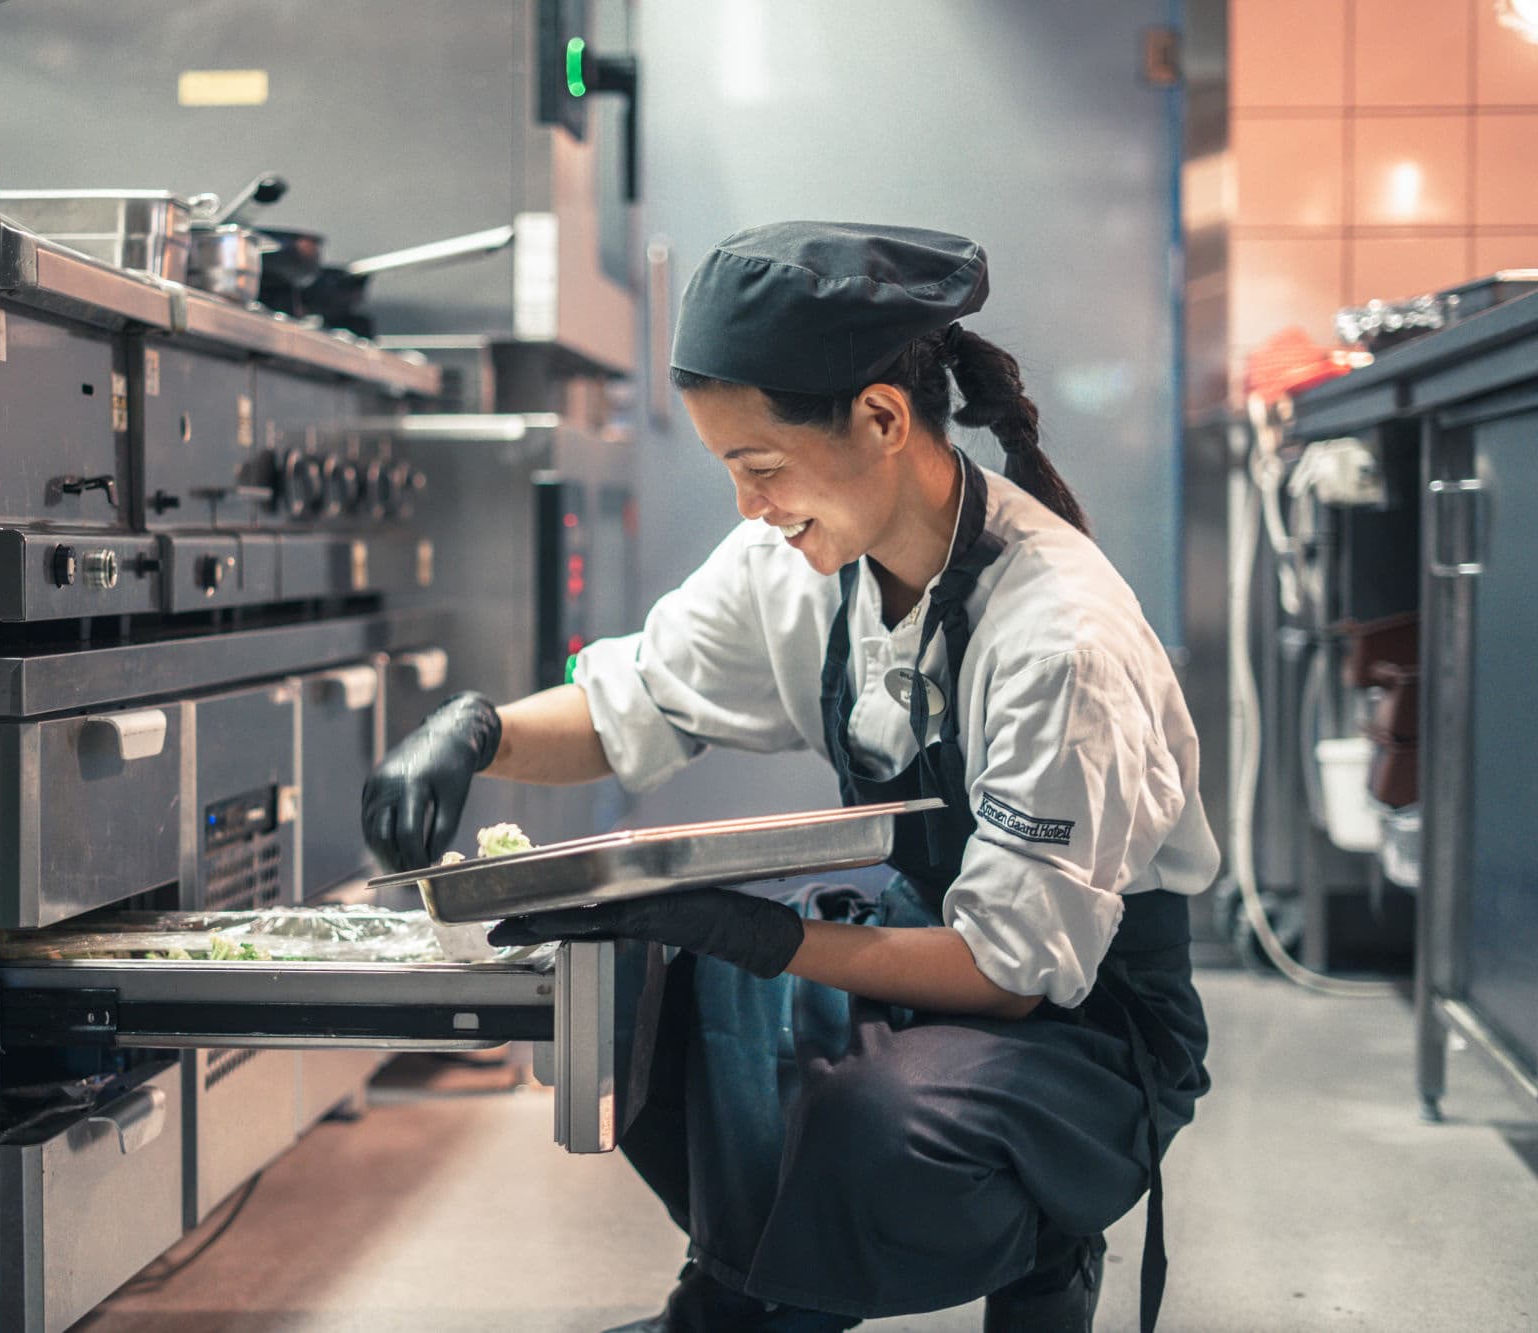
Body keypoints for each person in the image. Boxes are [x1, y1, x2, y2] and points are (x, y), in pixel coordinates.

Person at [362, 223, 1215, 1333]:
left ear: (880, 418)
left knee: (878, 1123)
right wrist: (471, 734)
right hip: (934, 931)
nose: (746, 505)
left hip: (1090, 1018)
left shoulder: (1057, 640)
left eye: (758, 466)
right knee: (669, 973)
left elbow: (1011, 975)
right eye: (731, 470)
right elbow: (638, 707)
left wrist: (753, 932)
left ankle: (1043, 1239)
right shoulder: (801, 559)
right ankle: (740, 1297)